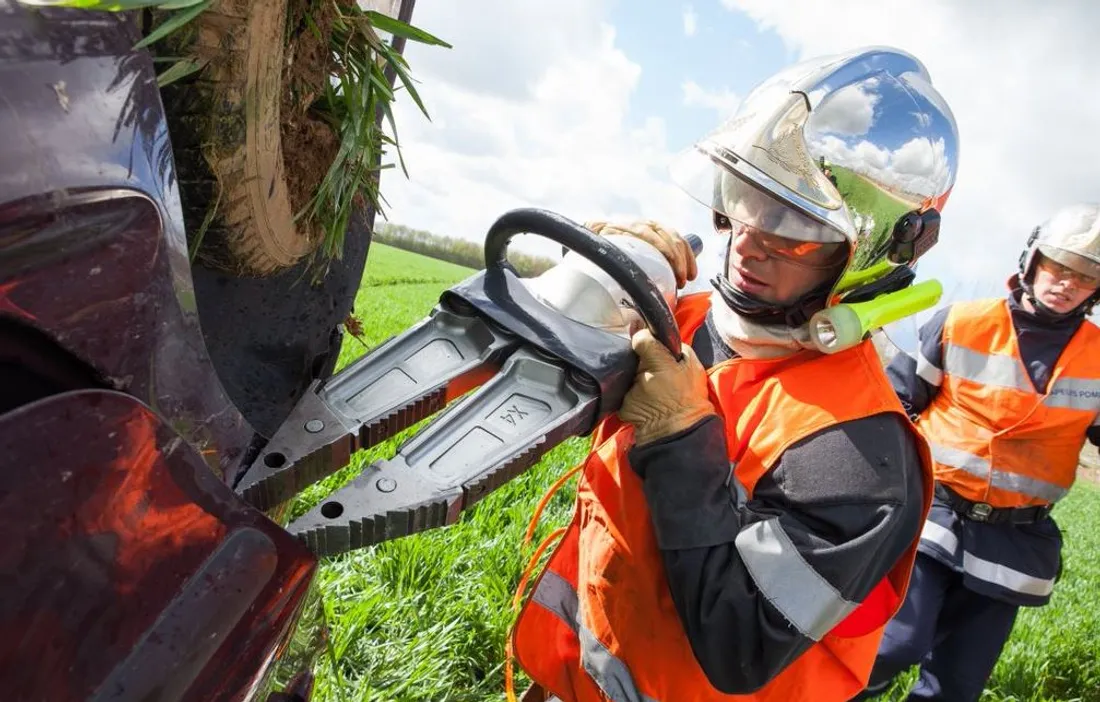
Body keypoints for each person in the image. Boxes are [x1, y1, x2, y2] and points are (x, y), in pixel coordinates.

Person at [506, 46, 961, 702]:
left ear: (869, 251)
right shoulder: (688, 321)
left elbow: (740, 645)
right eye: (747, 197)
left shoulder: (861, 455)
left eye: (796, 224)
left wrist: (681, 439)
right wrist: (591, 280)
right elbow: (519, 374)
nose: (749, 238)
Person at [854, 204, 1100, 701]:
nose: (1067, 282)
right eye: (1058, 265)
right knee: (895, 644)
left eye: (1087, 275)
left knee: (957, 685)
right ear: (1032, 261)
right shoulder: (961, 323)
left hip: (1015, 540)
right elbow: (897, 404)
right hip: (933, 515)